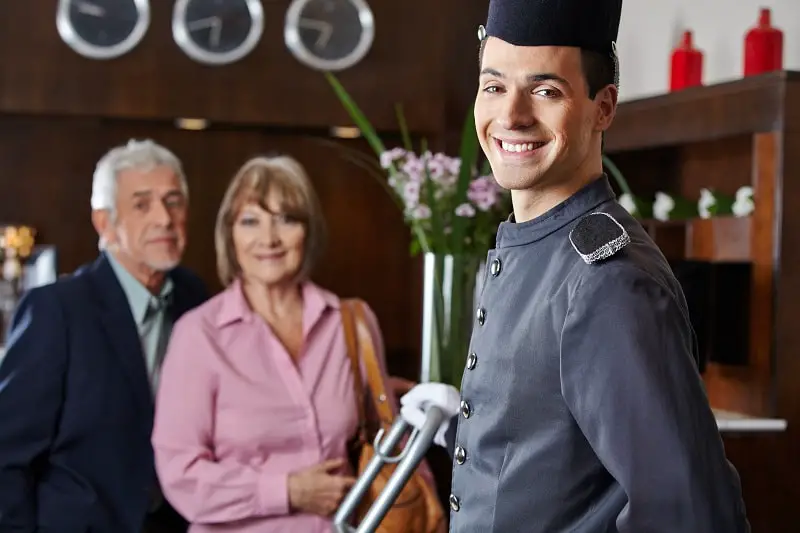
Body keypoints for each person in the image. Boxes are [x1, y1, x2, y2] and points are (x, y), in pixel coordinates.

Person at [398, 0, 751, 531]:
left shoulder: (607, 281)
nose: (512, 115)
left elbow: (691, 513)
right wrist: (458, 427)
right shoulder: (531, 248)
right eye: (494, 86)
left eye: (545, 90)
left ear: (603, 107)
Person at [151, 155, 439, 533]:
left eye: (286, 219)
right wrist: (287, 491)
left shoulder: (352, 322)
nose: (268, 239)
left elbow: (388, 439)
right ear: (230, 234)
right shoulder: (199, 334)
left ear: (309, 230)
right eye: (250, 221)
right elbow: (180, 474)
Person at [0, 139, 208, 533]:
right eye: (142, 204)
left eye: (174, 201)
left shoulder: (196, 299)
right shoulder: (58, 311)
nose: (164, 218)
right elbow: (6, 455)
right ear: (104, 223)